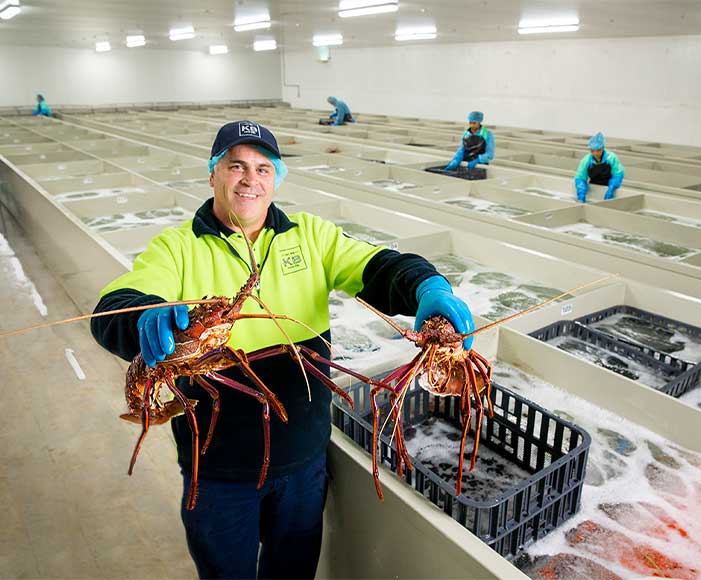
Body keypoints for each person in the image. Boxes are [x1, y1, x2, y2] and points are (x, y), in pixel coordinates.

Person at [90, 120, 474, 579]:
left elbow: (378, 264)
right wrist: (141, 318)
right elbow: (114, 305)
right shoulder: (176, 249)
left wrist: (426, 286)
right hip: (217, 474)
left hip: (304, 461)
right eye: (236, 166)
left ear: (276, 178)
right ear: (213, 173)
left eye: (263, 168)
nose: (250, 179)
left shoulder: (310, 235)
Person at [574, 132, 625, 202]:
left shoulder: (611, 158)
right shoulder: (586, 160)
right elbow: (580, 177)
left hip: (609, 187)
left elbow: (618, 174)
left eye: (598, 150)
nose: (595, 153)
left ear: (603, 148)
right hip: (594, 188)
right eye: (592, 151)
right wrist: (581, 194)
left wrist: (611, 189)